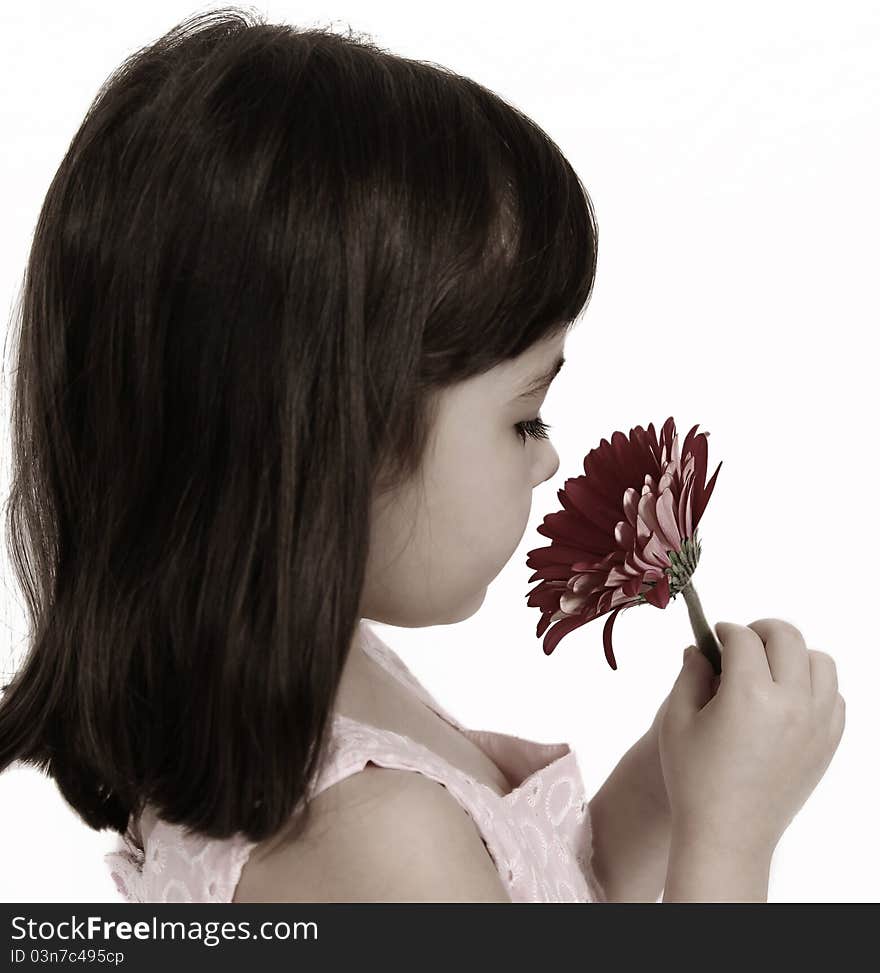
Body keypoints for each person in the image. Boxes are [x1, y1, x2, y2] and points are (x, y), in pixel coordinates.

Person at [0, 9, 844, 904]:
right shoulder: (379, 847)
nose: (551, 459)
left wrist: (670, 787)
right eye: (524, 418)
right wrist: (733, 836)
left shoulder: (326, 682)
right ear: (333, 441)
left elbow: (552, 896)